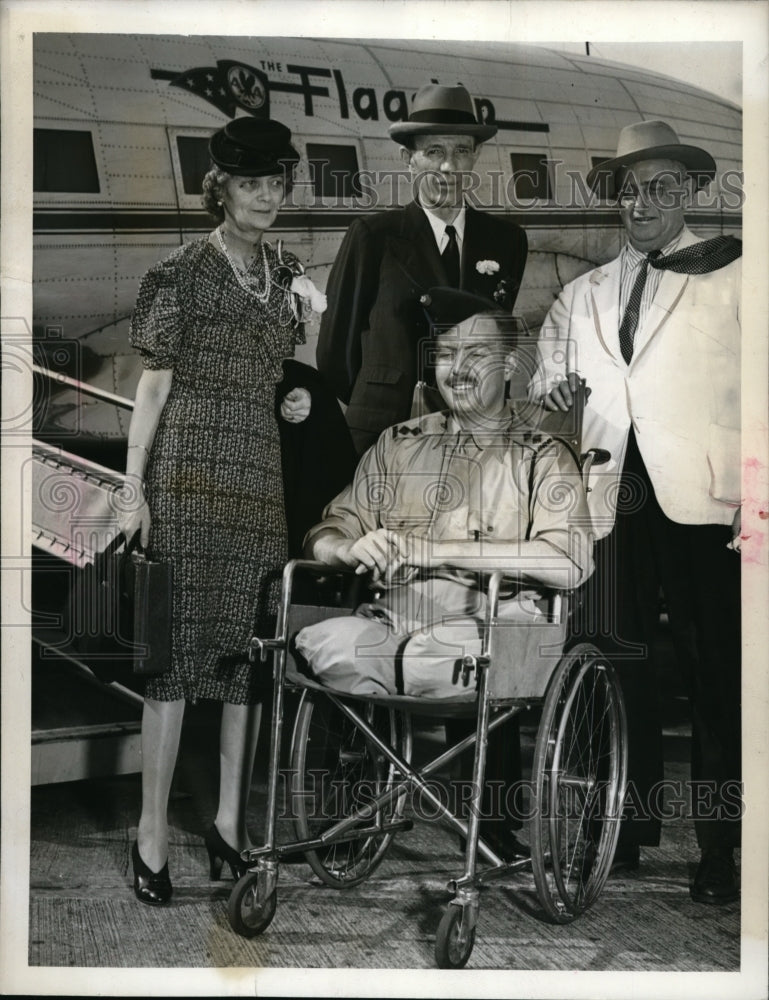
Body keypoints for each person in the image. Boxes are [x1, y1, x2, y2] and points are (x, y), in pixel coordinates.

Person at [296, 288, 593, 858]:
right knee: (320, 644)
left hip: (485, 638)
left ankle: (490, 823)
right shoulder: (396, 445)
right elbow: (328, 529)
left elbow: (569, 560)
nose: (456, 370)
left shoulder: (542, 456)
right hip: (395, 625)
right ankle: (361, 804)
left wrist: (441, 552)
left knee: (443, 656)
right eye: (446, 353)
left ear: (509, 366)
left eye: (475, 354)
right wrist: (349, 550)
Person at [530, 119, 742, 904]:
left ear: (688, 193)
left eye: (659, 188)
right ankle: (621, 828)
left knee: (714, 674)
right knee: (615, 668)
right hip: (611, 502)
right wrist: (551, 391)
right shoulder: (580, 295)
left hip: (707, 506)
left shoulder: (737, 277)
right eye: (628, 188)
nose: (641, 203)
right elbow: (547, 379)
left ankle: (721, 845)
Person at [118, 117, 326, 906]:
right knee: (171, 661)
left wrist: (296, 397)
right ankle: (149, 838)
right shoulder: (180, 272)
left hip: (257, 474)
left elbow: (284, 373)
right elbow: (154, 386)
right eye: (250, 185)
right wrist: (132, 486)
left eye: (275, 184)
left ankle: (230, 828)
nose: (266, 198)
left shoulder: (287, 272)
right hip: (187, 470)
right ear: (221, 190)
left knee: (244, 657)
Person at [316, 83, 528, 455]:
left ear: (476, 156)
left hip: (473, 435)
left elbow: (496, 340)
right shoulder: (374, 237)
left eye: (462, 150)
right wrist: (384, 398)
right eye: (434, 152)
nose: (449, 166)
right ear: (408, 158)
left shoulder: (506, 240)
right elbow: (335, 353)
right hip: (385, 434)